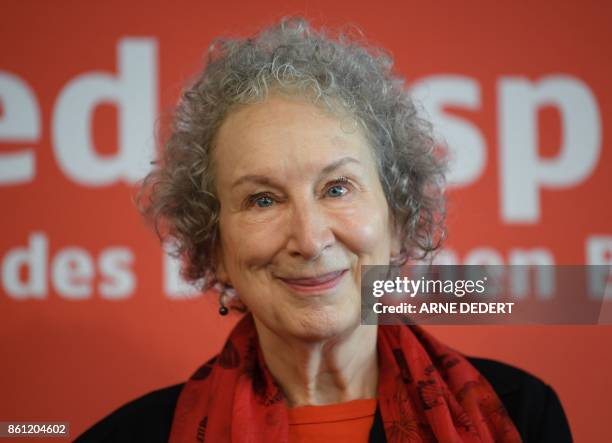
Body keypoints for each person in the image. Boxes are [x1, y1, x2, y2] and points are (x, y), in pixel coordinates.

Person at [76, 17, 572, 443]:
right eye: (262, 199)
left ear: (397, 217)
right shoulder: (131, 434)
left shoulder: (520, 416)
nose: (310, 240)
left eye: (337, 188)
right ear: (216, 246)